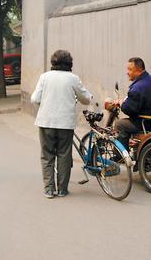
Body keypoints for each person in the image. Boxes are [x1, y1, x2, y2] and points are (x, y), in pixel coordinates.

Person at [31, 50, 92, 199]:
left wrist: (46, 105)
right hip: (65, 123)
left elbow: (34, 99)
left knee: (47, 156)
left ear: (53, 62)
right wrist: (90, 97)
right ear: (69, 63)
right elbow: (85, 99)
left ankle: (49, 190)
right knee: (64, 155)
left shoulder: (44, 77)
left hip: (46, 122)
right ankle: (62, 190)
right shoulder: (73, 78)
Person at [113, 57, 151, 149]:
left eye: (130, 69)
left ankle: (119, 156)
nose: (127, 72)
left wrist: (122, 103)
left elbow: (129, 109)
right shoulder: (150, 79)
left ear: (139, 70)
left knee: (119, 124)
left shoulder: (137, 87)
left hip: (144, 122)